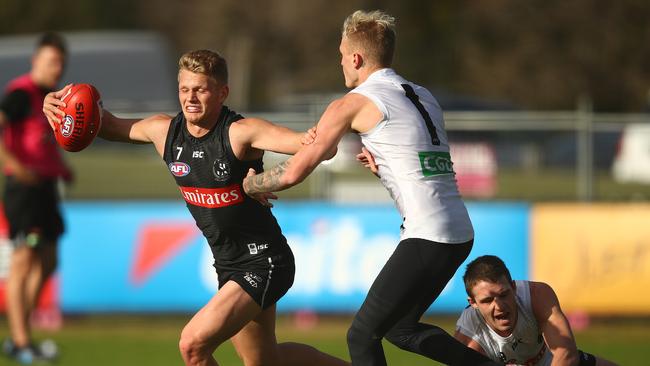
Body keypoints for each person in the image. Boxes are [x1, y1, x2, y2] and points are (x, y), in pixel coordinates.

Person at [43, 50, 348, 366]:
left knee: (192, 345)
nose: (190, 98)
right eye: (184, 89)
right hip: (228, 265)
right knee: (265, 362)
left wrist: (272, 174)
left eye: (201, 89)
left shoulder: (240, 133)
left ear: (222, 92)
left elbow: (315, 148)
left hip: (265, 260)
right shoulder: (165, 132)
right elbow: (105, 125)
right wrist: (58, 107)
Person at [243, 9, 499, 366]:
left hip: (429, 233)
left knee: (361, 335)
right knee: (400, 329)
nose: (341, 65)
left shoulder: (352, 103)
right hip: (458, 229)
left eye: (341, 57)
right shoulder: (423, 95)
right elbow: (428, 164)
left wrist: (250, 184)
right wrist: (385, 172)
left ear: (356, 58)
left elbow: (293, 172)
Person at [0, 32, 72, 364]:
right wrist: (15, 165)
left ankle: (19, 333)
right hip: (24, 190)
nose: (56, 68)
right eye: (50, 61)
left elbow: (42, 142)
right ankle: (21, 341)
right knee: (25, 259)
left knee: (50, 261)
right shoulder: (20, 93)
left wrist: (61, 167)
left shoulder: (53, 98)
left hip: (45, 189)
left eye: (60, 62)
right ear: (35, 62)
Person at [455, 255, 618, 366]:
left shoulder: (536, 295)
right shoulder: (468, 336)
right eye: (487, 300)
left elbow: (566, 353)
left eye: (503, 295)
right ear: (473, 303)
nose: (499, 306)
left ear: (513, 287)